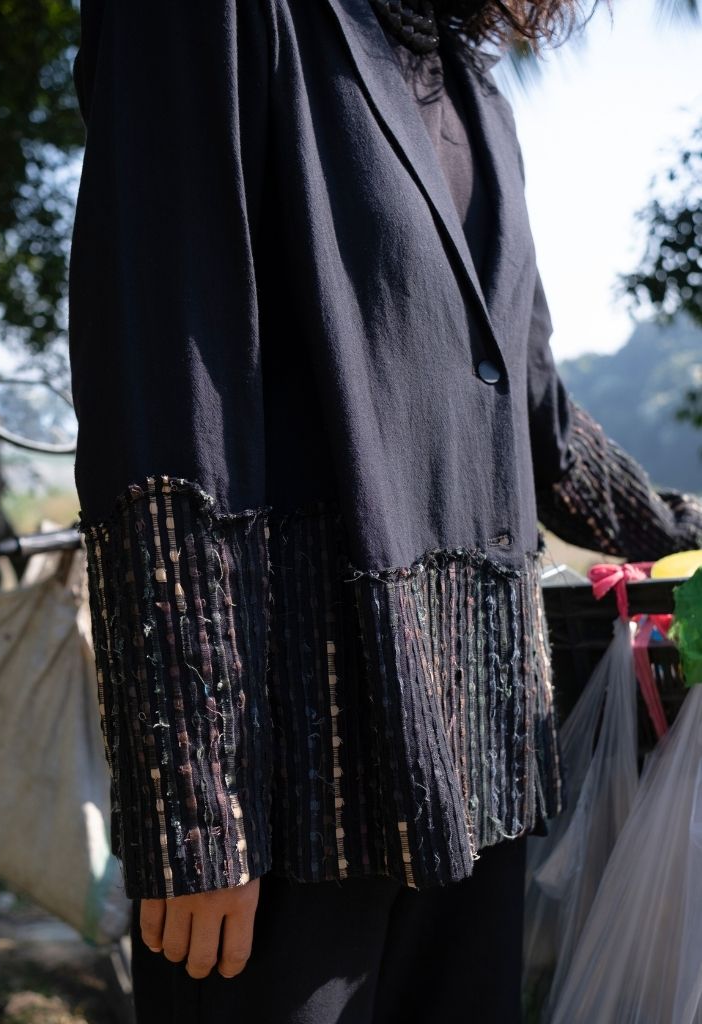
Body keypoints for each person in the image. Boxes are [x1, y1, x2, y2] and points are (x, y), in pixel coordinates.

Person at [67, 1, 702, 1021]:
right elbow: (162, 387)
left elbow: (538, 421)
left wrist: (687, 532)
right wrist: (199, 807)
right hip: (290, 782)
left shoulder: (475, 91)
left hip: (484, 750)